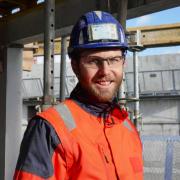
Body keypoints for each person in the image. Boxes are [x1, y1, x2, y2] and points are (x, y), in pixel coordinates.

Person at [14, 11, 143, 180]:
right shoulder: (50, 130)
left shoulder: (128, 129)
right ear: (75, 66)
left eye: (113, 60)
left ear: (123, 63)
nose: (105, 71)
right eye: (93, 61)